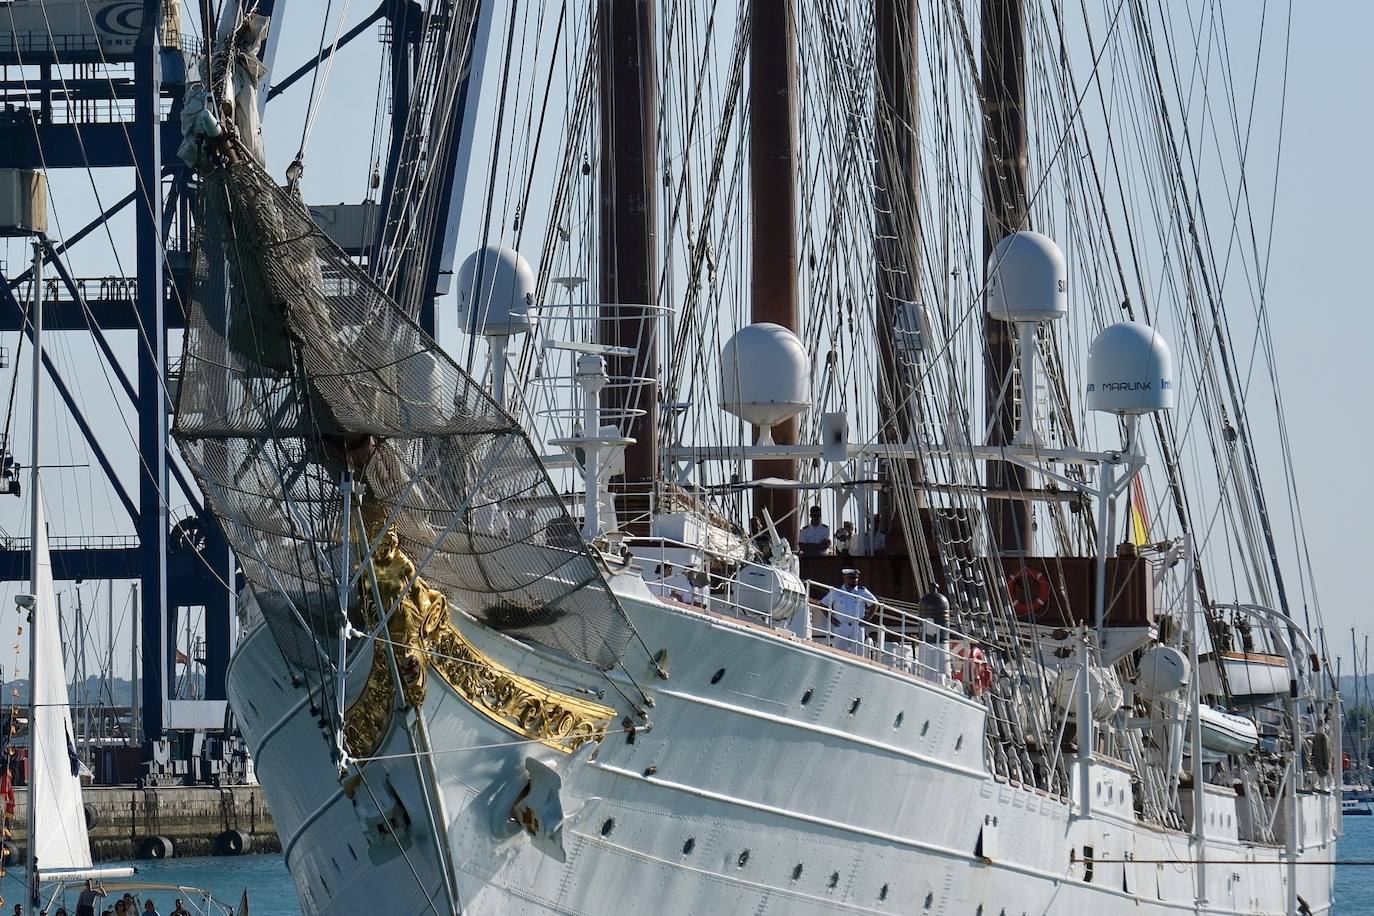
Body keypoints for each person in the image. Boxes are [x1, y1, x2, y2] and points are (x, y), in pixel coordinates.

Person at [819, 568, 878, 655]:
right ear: (845, 578)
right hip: (841, 625)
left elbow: (875, 604)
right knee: (840, 653)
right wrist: (831, 619)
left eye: (856, 578)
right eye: (852, 578)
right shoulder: (836, 591)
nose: (855, 580)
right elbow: (823, 604)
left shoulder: (862, 591)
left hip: (857, 626)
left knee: (858, 653)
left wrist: (868, 618)